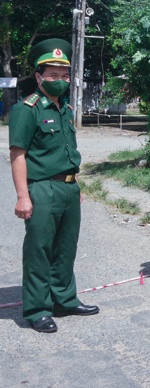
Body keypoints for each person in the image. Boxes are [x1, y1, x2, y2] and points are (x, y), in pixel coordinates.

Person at [9, 39, 99, 333]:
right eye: (52, 75)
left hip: (69, 188)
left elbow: (66, 151)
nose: (59, 81)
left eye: (64, 76)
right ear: (38, 77)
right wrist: (23, 196)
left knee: (65, 248)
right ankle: (37, 308)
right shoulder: (28, 109)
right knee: (39, 249)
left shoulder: (65, 109)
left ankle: (64, 299)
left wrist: (75, 186)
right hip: (42, 189)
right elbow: (18, 155)